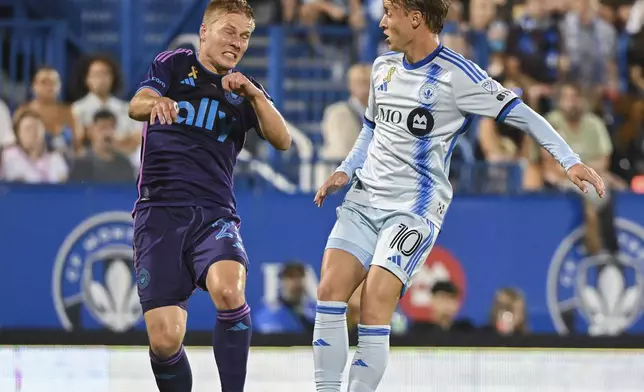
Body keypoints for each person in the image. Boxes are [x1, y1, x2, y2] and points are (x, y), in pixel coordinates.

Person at [311, 0, 605, 390]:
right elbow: (370, 128)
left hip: (413, 211)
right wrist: (344, 171)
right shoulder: (382, 67)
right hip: (364, 200)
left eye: (389, 12)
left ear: (415, 19)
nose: (381, 22)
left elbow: (522, 114)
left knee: (374, 304)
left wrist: (569, 161)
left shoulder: (458, 76)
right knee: (329, 291)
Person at [127, 0, 291, 391]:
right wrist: (159, 101)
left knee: (230, 290)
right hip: (159, 213)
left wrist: (255, 94)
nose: (237, 42)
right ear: (204, 31)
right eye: (229, 31)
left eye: (246, 36)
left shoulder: (243, 92)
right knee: (165, 340)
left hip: (213, 213)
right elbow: (136, 105)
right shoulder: (174, 64)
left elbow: (282, 140)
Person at [68, 110, 135, 183]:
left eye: (111, 127)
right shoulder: (81, 163)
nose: (107, 133)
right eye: (102, 128)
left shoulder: (124, 163)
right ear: (92, 131)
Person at [254, 262, 316, 334]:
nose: (296, 281)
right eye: (290, 277)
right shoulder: (268, 313)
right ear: (281, 281)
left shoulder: (313, 312)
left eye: (300, 276)